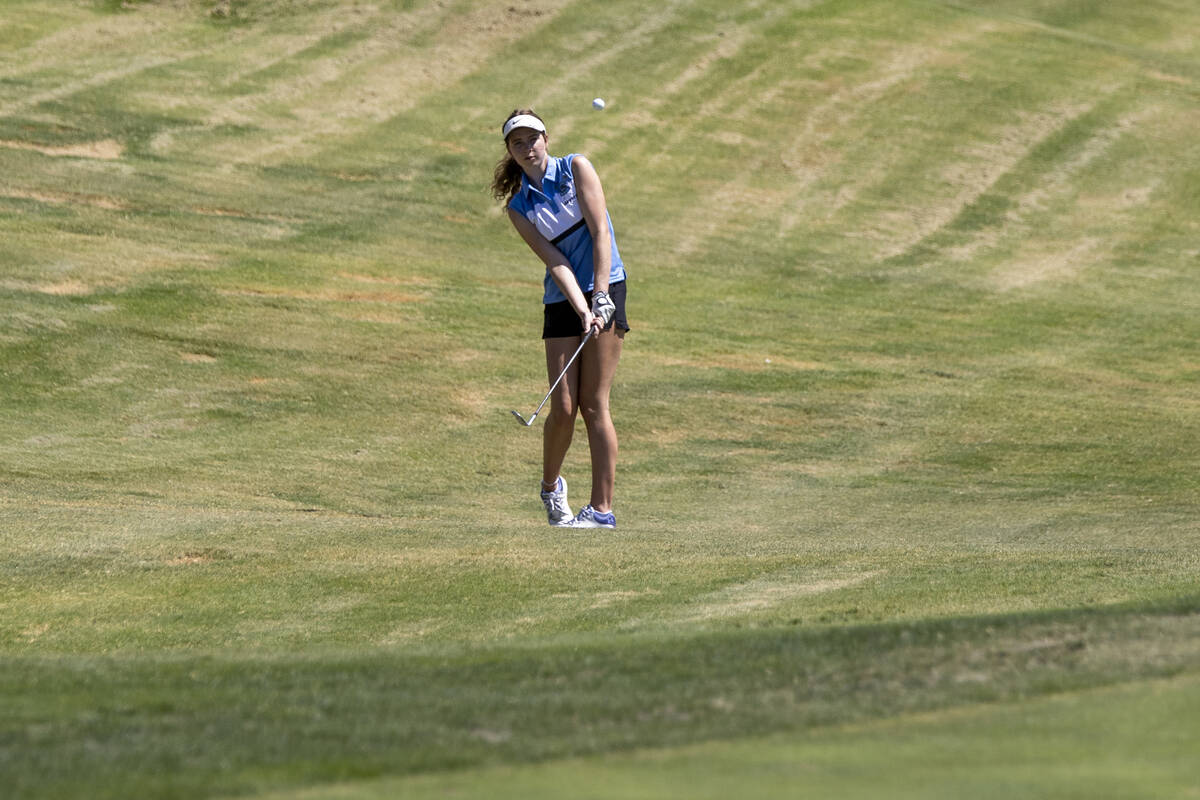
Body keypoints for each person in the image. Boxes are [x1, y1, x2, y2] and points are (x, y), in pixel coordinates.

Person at [491, 109, 630, 529]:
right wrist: (582, 307)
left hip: (608, 282)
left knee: (592, 403)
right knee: (564, 406)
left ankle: (601, 510)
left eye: (532, 138)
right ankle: (551, 488)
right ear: (511, 153)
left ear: (546, 138)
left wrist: (601, 296)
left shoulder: (576, 168)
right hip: (562, 298)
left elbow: (600, 231)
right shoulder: (520, 208)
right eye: (518, 143)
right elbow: (555, 260)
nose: (527, 147)